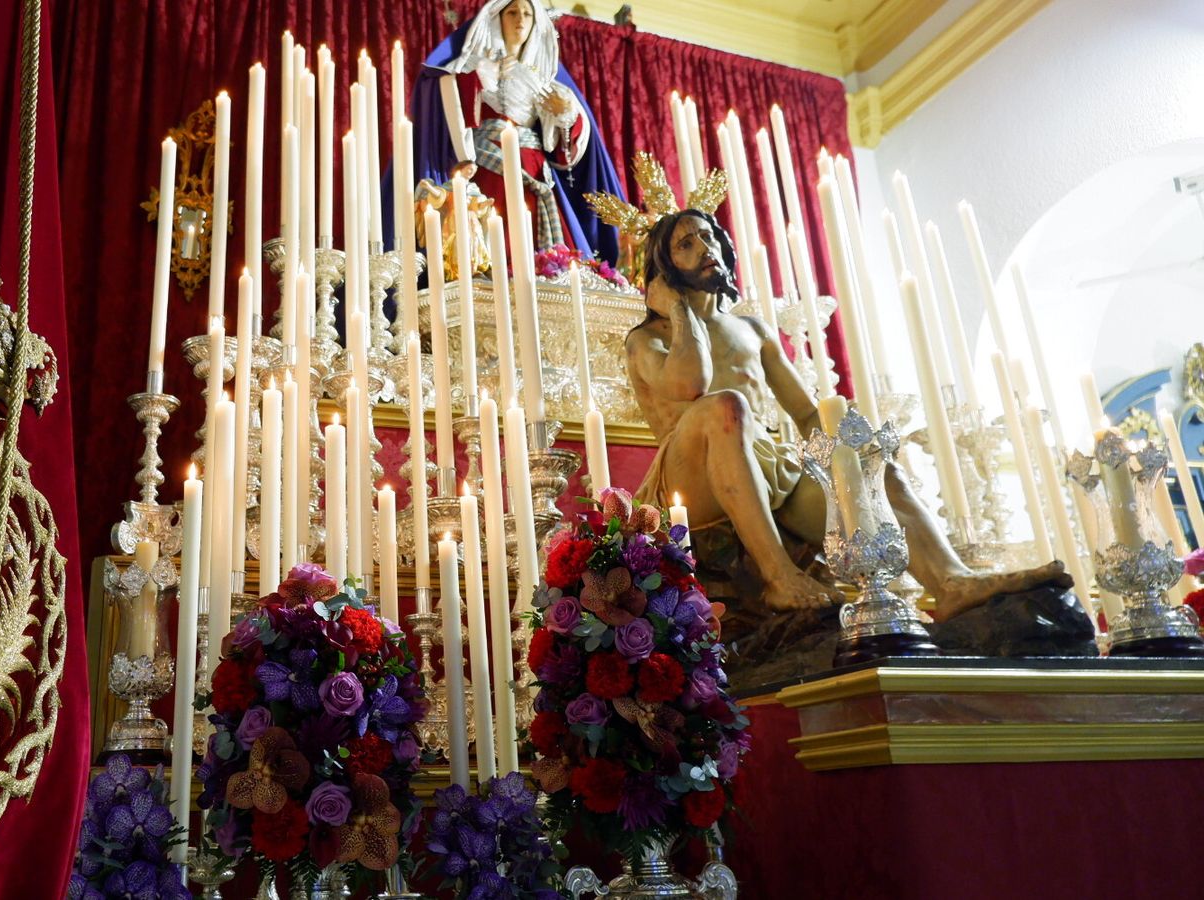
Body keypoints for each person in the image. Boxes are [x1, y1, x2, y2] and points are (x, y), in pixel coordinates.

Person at [625, 206, 1068, 619]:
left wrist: (855, 450)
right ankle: (779, 575)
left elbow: (805, 413)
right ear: (663, 270)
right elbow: (691, 385)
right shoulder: (650, 338)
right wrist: (679, 310)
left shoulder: (752, 330)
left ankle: (950, 580)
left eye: (708, 236)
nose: (704, 248)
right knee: (726, 405)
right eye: (685, 244)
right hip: (686, 485)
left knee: (875, 470)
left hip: (764, 469)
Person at [412, 0, 621, 263]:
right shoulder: (474, 64)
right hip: (489, 163)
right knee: (494, 244)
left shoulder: (542, 77)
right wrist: (481, 77)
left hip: (533, 169)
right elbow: (444, 95)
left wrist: (564, 116)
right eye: (512, 12)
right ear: (497, 17)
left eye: (527, 13)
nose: (520, 19)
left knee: (549, 256)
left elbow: (564, 149)